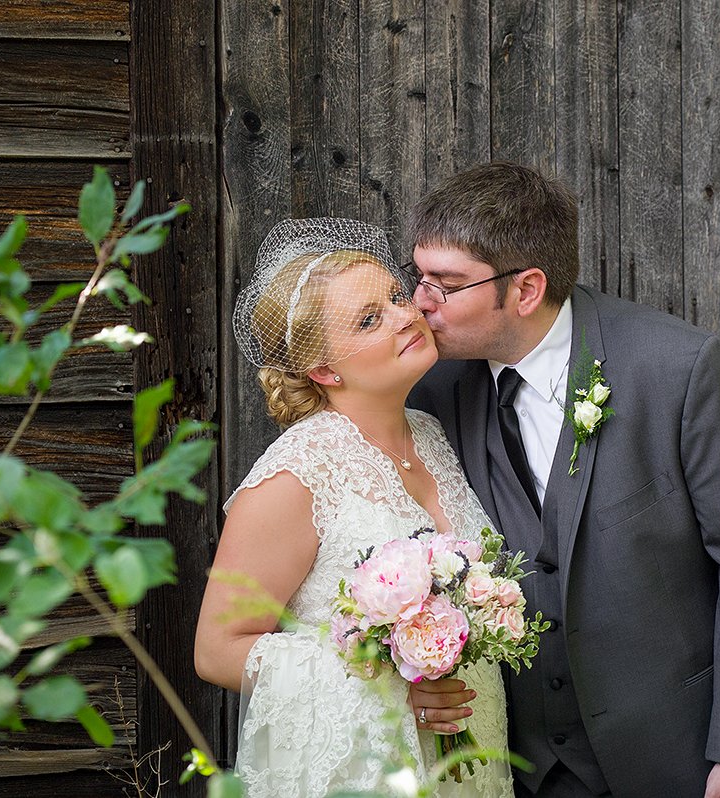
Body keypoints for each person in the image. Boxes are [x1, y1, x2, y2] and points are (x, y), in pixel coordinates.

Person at [405, 162, 720, 798]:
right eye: (418, 277)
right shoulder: (428, 390)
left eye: (445, 285)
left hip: (679, 756)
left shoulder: (678, 369)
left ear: (526, 290)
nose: (420, 303)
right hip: (514, 765)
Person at [194, 218, 515, 798]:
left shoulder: (433, 436)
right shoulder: (300, 471)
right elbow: (217, 651)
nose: (404, 315)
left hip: (471, 759)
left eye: (395, 296)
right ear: (323, 371)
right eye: (370, 319)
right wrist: (396, 676)